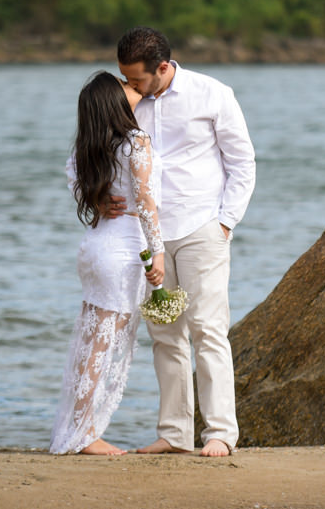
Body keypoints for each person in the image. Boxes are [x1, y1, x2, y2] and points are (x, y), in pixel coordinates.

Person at [113, 26, 256, 458]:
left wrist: (225, 223)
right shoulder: (127, 101)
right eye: (125, 78)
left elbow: (242, 161)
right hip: (147, 235)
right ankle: (175, 433)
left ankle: (220, 433)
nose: (129, 86)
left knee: (208, 329)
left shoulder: (213, 94)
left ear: (162, 67)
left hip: (200, 229)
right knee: (165, 335)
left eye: (136, 79)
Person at [48, 72, 166, 456]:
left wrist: (94, 198)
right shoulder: (135, 141)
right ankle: (85, 436)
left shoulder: (92, 144)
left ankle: (78, 429)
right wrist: (158, 251)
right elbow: (147, 203)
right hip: (123, 247)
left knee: (90, 340)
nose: (136, 90)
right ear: (115, 103)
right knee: (103, 344)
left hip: (96, 245)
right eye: (128, 88)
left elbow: (71, 173)